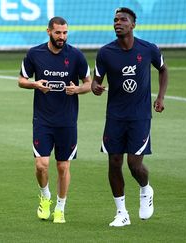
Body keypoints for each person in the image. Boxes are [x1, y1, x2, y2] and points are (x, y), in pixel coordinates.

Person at [91, 7, 168, 227]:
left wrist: (160, 97)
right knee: (114, 162)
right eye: (115, 20)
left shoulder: (148, 49)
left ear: (133, 25)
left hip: (140, 116)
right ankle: (122, 213)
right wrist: (96, 87)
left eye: (123, 20)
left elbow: (163, 70)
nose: (118, 23)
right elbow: (97, 80)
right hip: (114, 116)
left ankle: (145, 189)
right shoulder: (105, 52)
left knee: (135, 165)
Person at [18, 16, 92, 224]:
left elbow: (89, 83)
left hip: (67, 120)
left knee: (62, 167)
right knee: (42, 165)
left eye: (65, 32)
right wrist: (35, 84)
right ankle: (45, 195)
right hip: (42, 119)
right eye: (58, 32)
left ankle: (60, 207)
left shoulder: (76, 56)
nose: (62, 37)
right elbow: (21, 80)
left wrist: (77, 89)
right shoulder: (35, 54)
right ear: (48, 31)